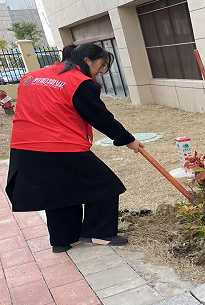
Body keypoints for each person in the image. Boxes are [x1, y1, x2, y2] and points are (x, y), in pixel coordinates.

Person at [5, 44, 143, 253]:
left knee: (58, 191)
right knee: (106, 185)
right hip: (60, 146)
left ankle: (62, 240)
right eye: (101, 65)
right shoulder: (79, 82)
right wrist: (128, 140)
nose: (101, 71)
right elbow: (100, 118)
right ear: (87, 60)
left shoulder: (31, 76)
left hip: (23, 146)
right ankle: (98, 233)